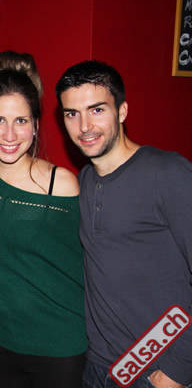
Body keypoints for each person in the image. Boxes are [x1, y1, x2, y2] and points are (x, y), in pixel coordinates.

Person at [56, 60, 192, 388]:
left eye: (97, 110)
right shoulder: (83, 181)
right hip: (97, 367)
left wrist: (179, 368)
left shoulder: (168, 173)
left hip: (156, 371)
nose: (84, 126)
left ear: (122, 111)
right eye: (72, 113)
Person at [0, 55, 87, 387]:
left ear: (35, 125)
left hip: (60, 347)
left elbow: (96, 262)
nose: (9, 133)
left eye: (21, 120)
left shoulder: (62, 184)